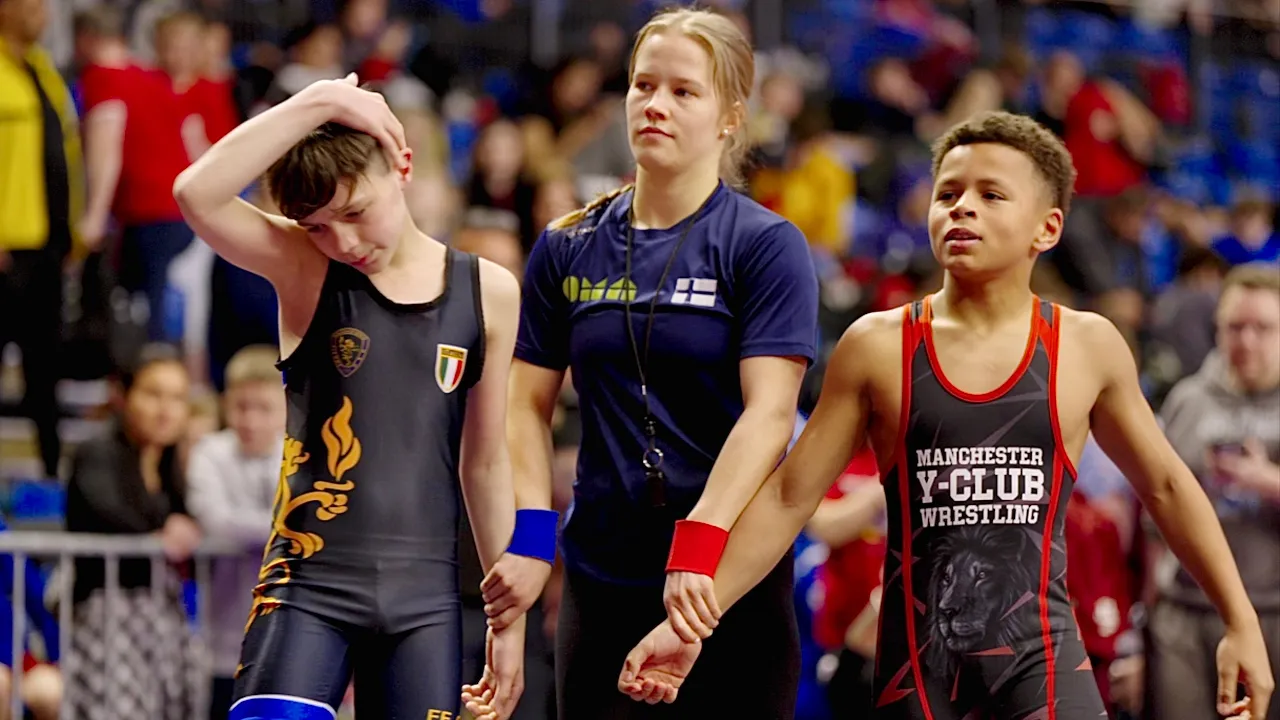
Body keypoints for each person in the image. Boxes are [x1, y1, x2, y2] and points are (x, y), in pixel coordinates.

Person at [617, 111, 1275, 720]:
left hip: (1043, 667)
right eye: (948, 192)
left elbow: (1164, 486)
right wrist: (688, 624)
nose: (962, 206)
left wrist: (1238, 620)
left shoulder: (1086, 345)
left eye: (991, 195)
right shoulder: (876, 346)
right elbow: (791, 496)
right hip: (917, 678)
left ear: (1047, 228)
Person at [484, 7, 820, 719]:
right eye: (643, 85)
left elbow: (770, 414)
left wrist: (699, 544)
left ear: (730, 117)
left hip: (725, 577)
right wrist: (535, 534)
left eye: (683, 92)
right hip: (602, 575)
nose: (655, 105)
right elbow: (523, 403)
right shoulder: (568, 244)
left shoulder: (764, 244)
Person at [172, 74, 532, 720]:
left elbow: (484, 463)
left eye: (355, 212)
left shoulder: (490, 293)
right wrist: (322, 99)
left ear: (403, 166)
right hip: (307, 585)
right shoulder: (305, 270)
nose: (342, 241)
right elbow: (194, 193)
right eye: (316, 225)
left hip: (424, 603)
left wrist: (509, 623)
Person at [183, 345, 286, 720]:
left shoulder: (300, 456)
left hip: (286, 635)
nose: (251, 420)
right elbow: (214, 519)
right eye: (242, 407)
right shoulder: (210, 451)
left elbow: (302, 521)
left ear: (285, 408)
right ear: (227, 404)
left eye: (263, 408)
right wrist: (279, 530)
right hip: (221, 640)